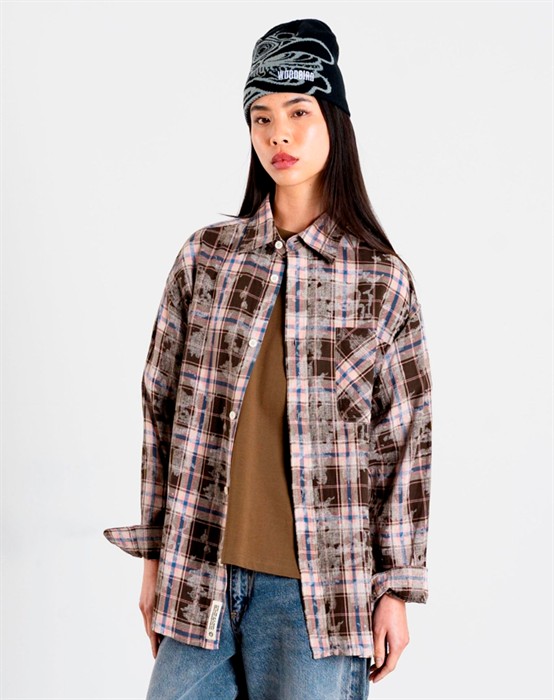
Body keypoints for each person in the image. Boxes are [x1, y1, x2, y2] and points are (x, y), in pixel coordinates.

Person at [103, 18, 433, 700]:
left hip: (318, 598)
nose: (279, 134)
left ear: (333, 121)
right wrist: (153, 559)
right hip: (198, 578)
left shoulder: (380, 280)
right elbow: (159, 409)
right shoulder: (206, 259)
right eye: (262, 118)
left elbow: (405, 442)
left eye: (298, 113)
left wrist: (395, 588)